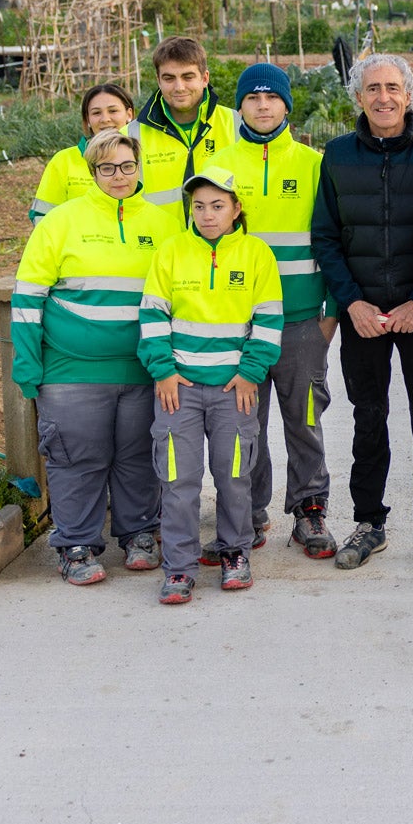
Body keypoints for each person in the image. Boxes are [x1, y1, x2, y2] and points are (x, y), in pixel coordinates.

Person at [311, 53, 413, 573]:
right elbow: (326, 238)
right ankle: (369, 522)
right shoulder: (335, 156)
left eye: (393, 88)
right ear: (358, 97)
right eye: (372, 88)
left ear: (409, 94)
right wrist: (351, 301)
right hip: (364, 314)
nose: (383, 98)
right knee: (368, 419)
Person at [12, 129, 180, 584]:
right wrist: (28, 365)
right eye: (107, 168)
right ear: (92, 172)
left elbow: (181, 295)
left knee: (138, 456)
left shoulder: (166, 225)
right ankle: (76, 544)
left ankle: (140, 534)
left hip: (145, 370)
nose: (119, 176)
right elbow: (28, 298)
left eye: (127, 165)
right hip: (71, 370)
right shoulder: (60, 223)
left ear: (139, 166)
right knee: (76, 457)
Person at [140, 166, 285, 604]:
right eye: (199, 206)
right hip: (177, 388)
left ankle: (234, 553)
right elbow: (152, 316)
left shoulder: (257, 254)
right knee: (178, 479)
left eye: (218, 206)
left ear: (236, 209)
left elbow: (268, 319)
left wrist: (251, 372)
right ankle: (179, 567)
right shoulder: (170, 252)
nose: (207, 214)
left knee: (235, 475)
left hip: (233, 389)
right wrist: (162, 369)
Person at [214, 63, 337, 562]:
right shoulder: (219, 163)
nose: (262, 105)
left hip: (303, 319)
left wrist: (330, 313)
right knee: (246, 422)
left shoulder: (313, 164)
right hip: (237, 323)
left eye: (272, 97)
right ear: (238, 106)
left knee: (304, 417)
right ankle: (248, 513)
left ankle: (309, 510)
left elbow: (334, 240)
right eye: (252, 97)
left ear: (287, 105)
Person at [129, 36, 238, 212]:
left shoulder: (236, 124)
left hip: (222, 240)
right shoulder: (131, 135)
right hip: (159, 240)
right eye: (169, 78)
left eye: (188, 77)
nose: (179, 87)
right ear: (158, 80)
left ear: (205, 78)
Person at [29, 83, 134, 222]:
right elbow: (42, 217)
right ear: (88, 120)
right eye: (96, 113)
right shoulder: (64, 161)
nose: (105, 119)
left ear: (129, 114)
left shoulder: (143, 157)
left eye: (113, 111)